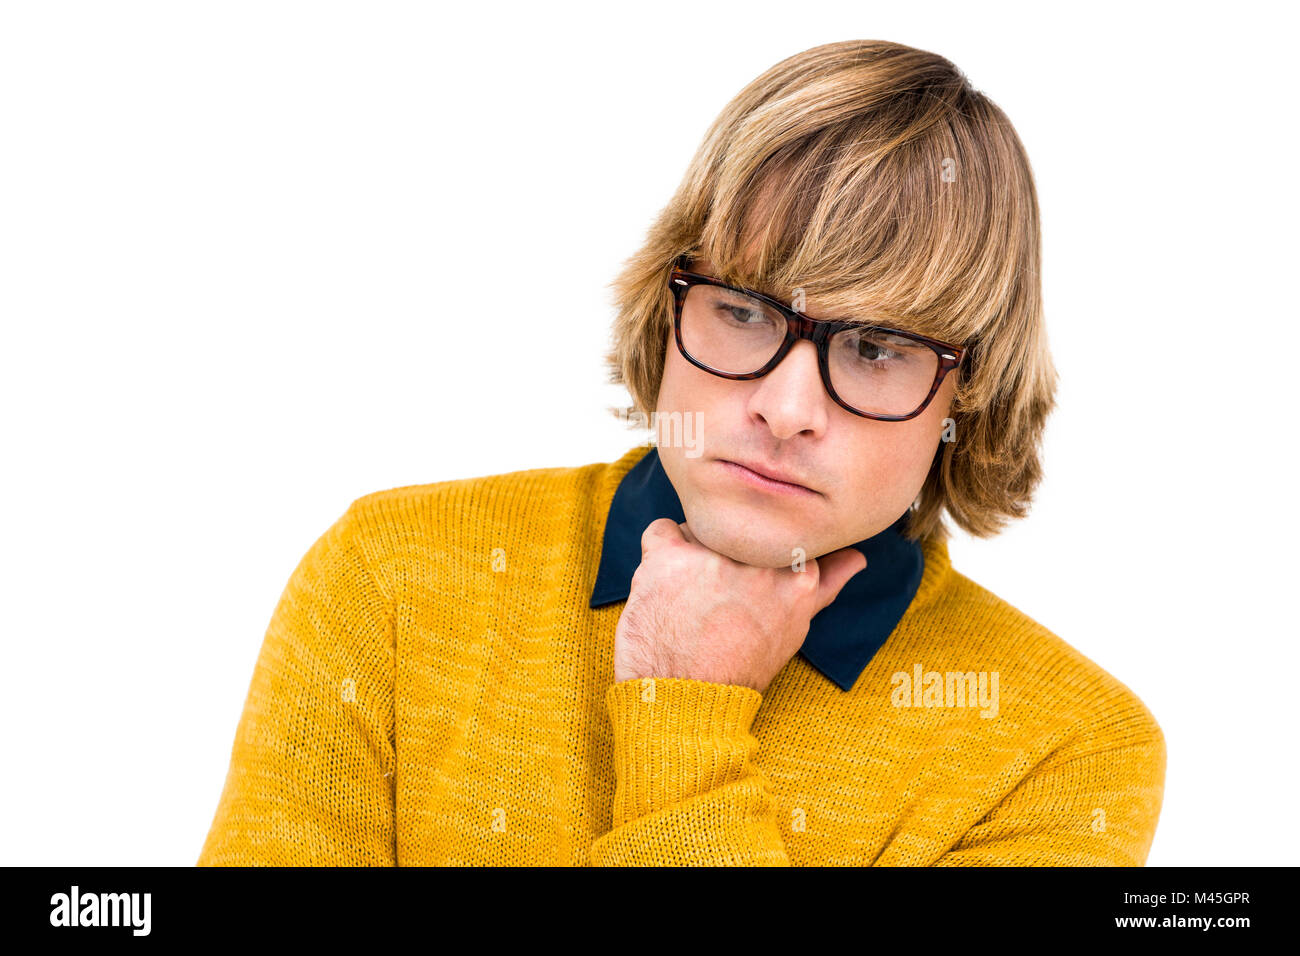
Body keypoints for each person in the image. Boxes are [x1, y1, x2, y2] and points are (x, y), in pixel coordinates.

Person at [198, 38, 1165, 866]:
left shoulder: (1067, 750)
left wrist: (683, 714)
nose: (788, 410)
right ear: (669, 306)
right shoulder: (395, 575)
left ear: (971, 389)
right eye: (744, 311)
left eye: (876, 349)